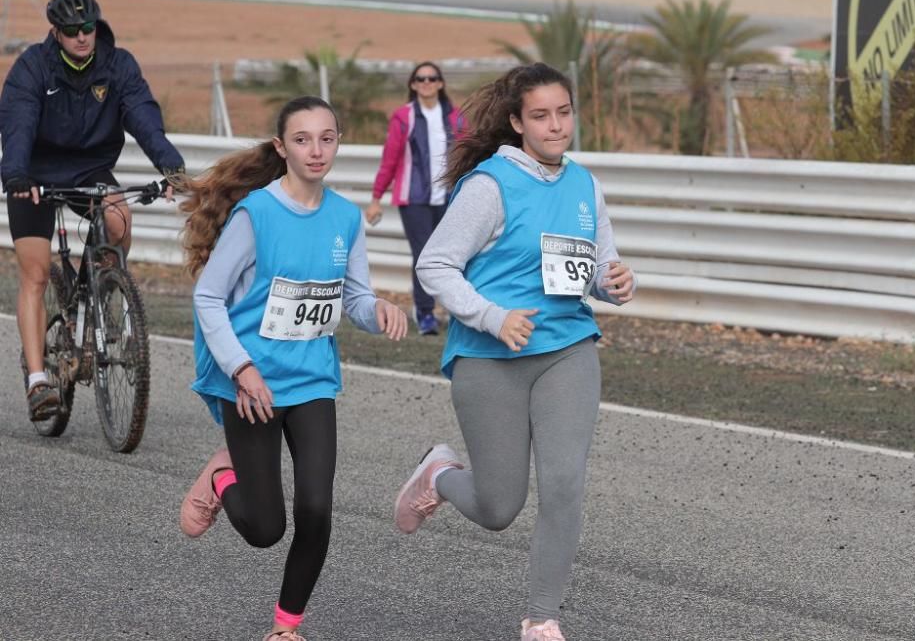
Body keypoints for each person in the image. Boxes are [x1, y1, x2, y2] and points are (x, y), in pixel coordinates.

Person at [392, 62, 637, 641]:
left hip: (567, 349)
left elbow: (597, 266)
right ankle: (441, 472)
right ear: (516, 123)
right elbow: (434, 265)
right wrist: (492, 317)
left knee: (564, 482)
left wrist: (616, 283)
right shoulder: (490, 186)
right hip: (488, 358)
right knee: (499, 507)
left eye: (564, 112)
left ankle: (541, 618)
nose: (556, 126)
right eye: (541, 116)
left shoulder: (585, 183)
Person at [177, 96, 407, 641]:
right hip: (253, 383)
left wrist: (378, 310)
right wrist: (241, 368)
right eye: (302, 139)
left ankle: (285, 627)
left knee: (317, 508)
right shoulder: (256, 214)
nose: (316, 150)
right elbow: (208, 298)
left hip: (311, 381)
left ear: (338, 141)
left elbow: (352, 298)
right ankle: (220, 474)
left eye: (327, 138)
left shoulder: (346, 218)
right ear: (281, 147)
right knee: (264, 529)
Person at [0, 0, 184, 421]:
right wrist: (16, 174)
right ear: (55, 32)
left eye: (88, 28)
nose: (82, 37)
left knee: (118, 218)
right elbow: (18, 122)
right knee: (36, 273)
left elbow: (142, 113)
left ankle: (102, 292)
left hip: (89, 169)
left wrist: (170, 164)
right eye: (71, 31)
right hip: (35, 174)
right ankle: (37, 382)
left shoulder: (118, 65)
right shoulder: (32, 66)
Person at [365, 61, 464, 336]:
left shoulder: (456, 118)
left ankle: (457, 311)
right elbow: (390, 159)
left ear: (441, 83)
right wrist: (376, 198)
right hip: (414, 198)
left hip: (448, 197)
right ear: (413, 84)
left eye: (432, 78)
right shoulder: (403, 117)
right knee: (424, 255)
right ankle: (424, 312)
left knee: (453, 256)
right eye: (421, 79)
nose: (427, 83)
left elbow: (469, 156)